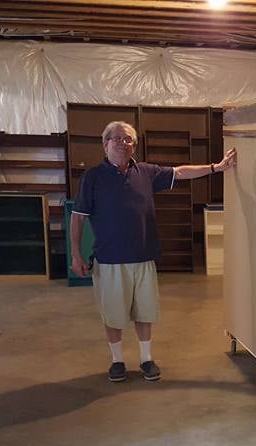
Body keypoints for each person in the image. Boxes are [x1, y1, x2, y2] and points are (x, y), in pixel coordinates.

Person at [71, 121, 237, 383]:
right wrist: (76, 255)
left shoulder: (146, 172)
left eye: (128, 140)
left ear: (134, 146)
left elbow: (180, 172)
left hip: (143, 257)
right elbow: (78, 217)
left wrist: (216, 167)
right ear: (105, 144)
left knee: (145, 312)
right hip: (109, 259)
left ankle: (146, 359)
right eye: (117, 139)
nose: (123, 144)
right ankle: (117, 361)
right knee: (113, 315)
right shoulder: (92, 177)